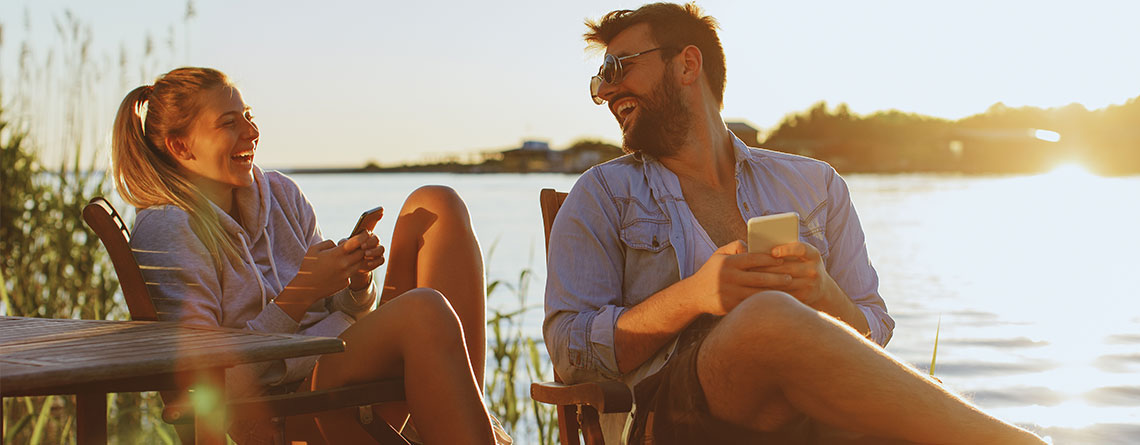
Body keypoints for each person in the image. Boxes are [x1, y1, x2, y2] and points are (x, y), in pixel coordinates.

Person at [543, 3, 1047, 444]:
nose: (605, 90)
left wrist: (825, 294)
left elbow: (870, 335)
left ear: (687, 64)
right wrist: (694, 296)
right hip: (666, 422)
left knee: (920, 418)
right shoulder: (603, 194)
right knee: (769, 318)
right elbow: (569, 353)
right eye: (600, 77)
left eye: (617, 67)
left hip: (809, 418)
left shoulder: (816, 184)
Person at [111, 67, 504, 444]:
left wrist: (355, 281)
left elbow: (344, 310)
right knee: (424, 311)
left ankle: (456, 423)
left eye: (249, 117)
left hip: (344, 366)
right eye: (229, 123)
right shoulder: (168, 230)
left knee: (438, 206)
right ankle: (462, 427)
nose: (251, 132)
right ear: (181, 146)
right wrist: (301, 292)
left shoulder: (280, 195)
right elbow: (210, 379)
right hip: (294, 404)